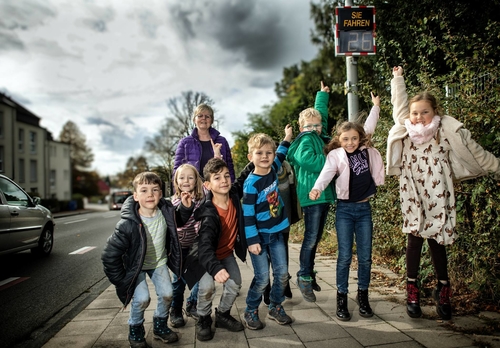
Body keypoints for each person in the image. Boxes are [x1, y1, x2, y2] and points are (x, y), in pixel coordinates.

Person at [387, 66, 500, 320]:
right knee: (413, 240)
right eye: (415, 113)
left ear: (435, 112)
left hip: (439, 194)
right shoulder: (405, 131)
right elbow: (400, 106)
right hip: (413, 193)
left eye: (424, 112)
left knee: (438, 240)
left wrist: (498, 167)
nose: (418, 117)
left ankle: (443, 288)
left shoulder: (445, 132)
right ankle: (412, 290)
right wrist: (398, 79)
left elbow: (477, 154)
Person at [310, 92, 384, 321]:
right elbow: (326, 174)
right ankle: (341, 298)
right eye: (346, 139)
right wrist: (317, 188)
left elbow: (370, 125)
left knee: (365, 257)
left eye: (354, 138)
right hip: (344, 211)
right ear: (339, 141)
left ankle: (363, 297)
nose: (350, 142)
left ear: (359, 138)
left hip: (364, 210)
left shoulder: (364, 149)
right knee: (344, 256)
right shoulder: (335, 156)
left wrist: (376, 106)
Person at [101, 172, 182, 347]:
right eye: (144, 190)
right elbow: (109, 256)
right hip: (135, 267)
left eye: (155, 190)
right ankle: (135, 329)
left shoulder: (167, 212)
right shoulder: (127, 224)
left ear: (161, 193)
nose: (150, 194)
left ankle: (160, 326)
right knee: (142, 298)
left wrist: (188, 207)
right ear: (135, 196)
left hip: (158, 262)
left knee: (168, 294)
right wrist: (121, 280)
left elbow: (181, 219)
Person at [182, 157, 250, 341]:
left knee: (235, 283)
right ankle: (203, 318)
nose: (224, 180)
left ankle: (222, 315)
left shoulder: (234, 194)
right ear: (208, 184)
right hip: (205, 258)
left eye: (226, 176)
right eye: (217, 178)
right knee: (207, 288)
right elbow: (204, 247)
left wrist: (253, 162)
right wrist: (216, 268)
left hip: (225, 253)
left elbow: (243, 178)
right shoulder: (208, 213)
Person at [287, 81, 337, 303]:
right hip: (311, 196)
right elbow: (308, 161)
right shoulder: (304, 140)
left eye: (317, 125)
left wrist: (322, 95)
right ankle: (303, 276)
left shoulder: (317, 134)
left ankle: (309, 272)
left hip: (322, 195)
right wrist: (331, 160)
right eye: (310, 125)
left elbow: (321, 118)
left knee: (315, 238)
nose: (316, 128)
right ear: (302, 128)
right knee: (310, 238)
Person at [242, 126, 294, 330]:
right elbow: (247, 216)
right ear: (250, 156)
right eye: (259, 153)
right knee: (262, 277)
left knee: (282, 274)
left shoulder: (273, 169)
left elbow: (282, 152)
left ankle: (275, 306)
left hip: (278, 233)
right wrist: (252, 241)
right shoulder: (250, 184)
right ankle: (251, 309)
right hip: (259, 239)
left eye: (268, 153)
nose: (265, 156)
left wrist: (287, 137)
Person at [168, 164, 204, 328]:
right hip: (179, 249)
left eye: (190, 177)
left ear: (196, 179)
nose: (186, 181)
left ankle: (192, 304)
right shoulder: (173, 202)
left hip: (195, 248)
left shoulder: (201, 198)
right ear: (176, 180)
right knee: (178, 282)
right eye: (182, 177)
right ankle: (175, 310)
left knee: (198, 280)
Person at [173, 103, 235, 182]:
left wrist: (231, 190)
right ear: (194, 120)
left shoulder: (222, 141)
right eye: (200, 116)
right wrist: (178, 192)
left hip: (216, 189)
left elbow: (230, 169)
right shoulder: (184, 143)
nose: (203, 118)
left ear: (211, 120)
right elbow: (177, 170)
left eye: (207, 116)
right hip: (193, 189)